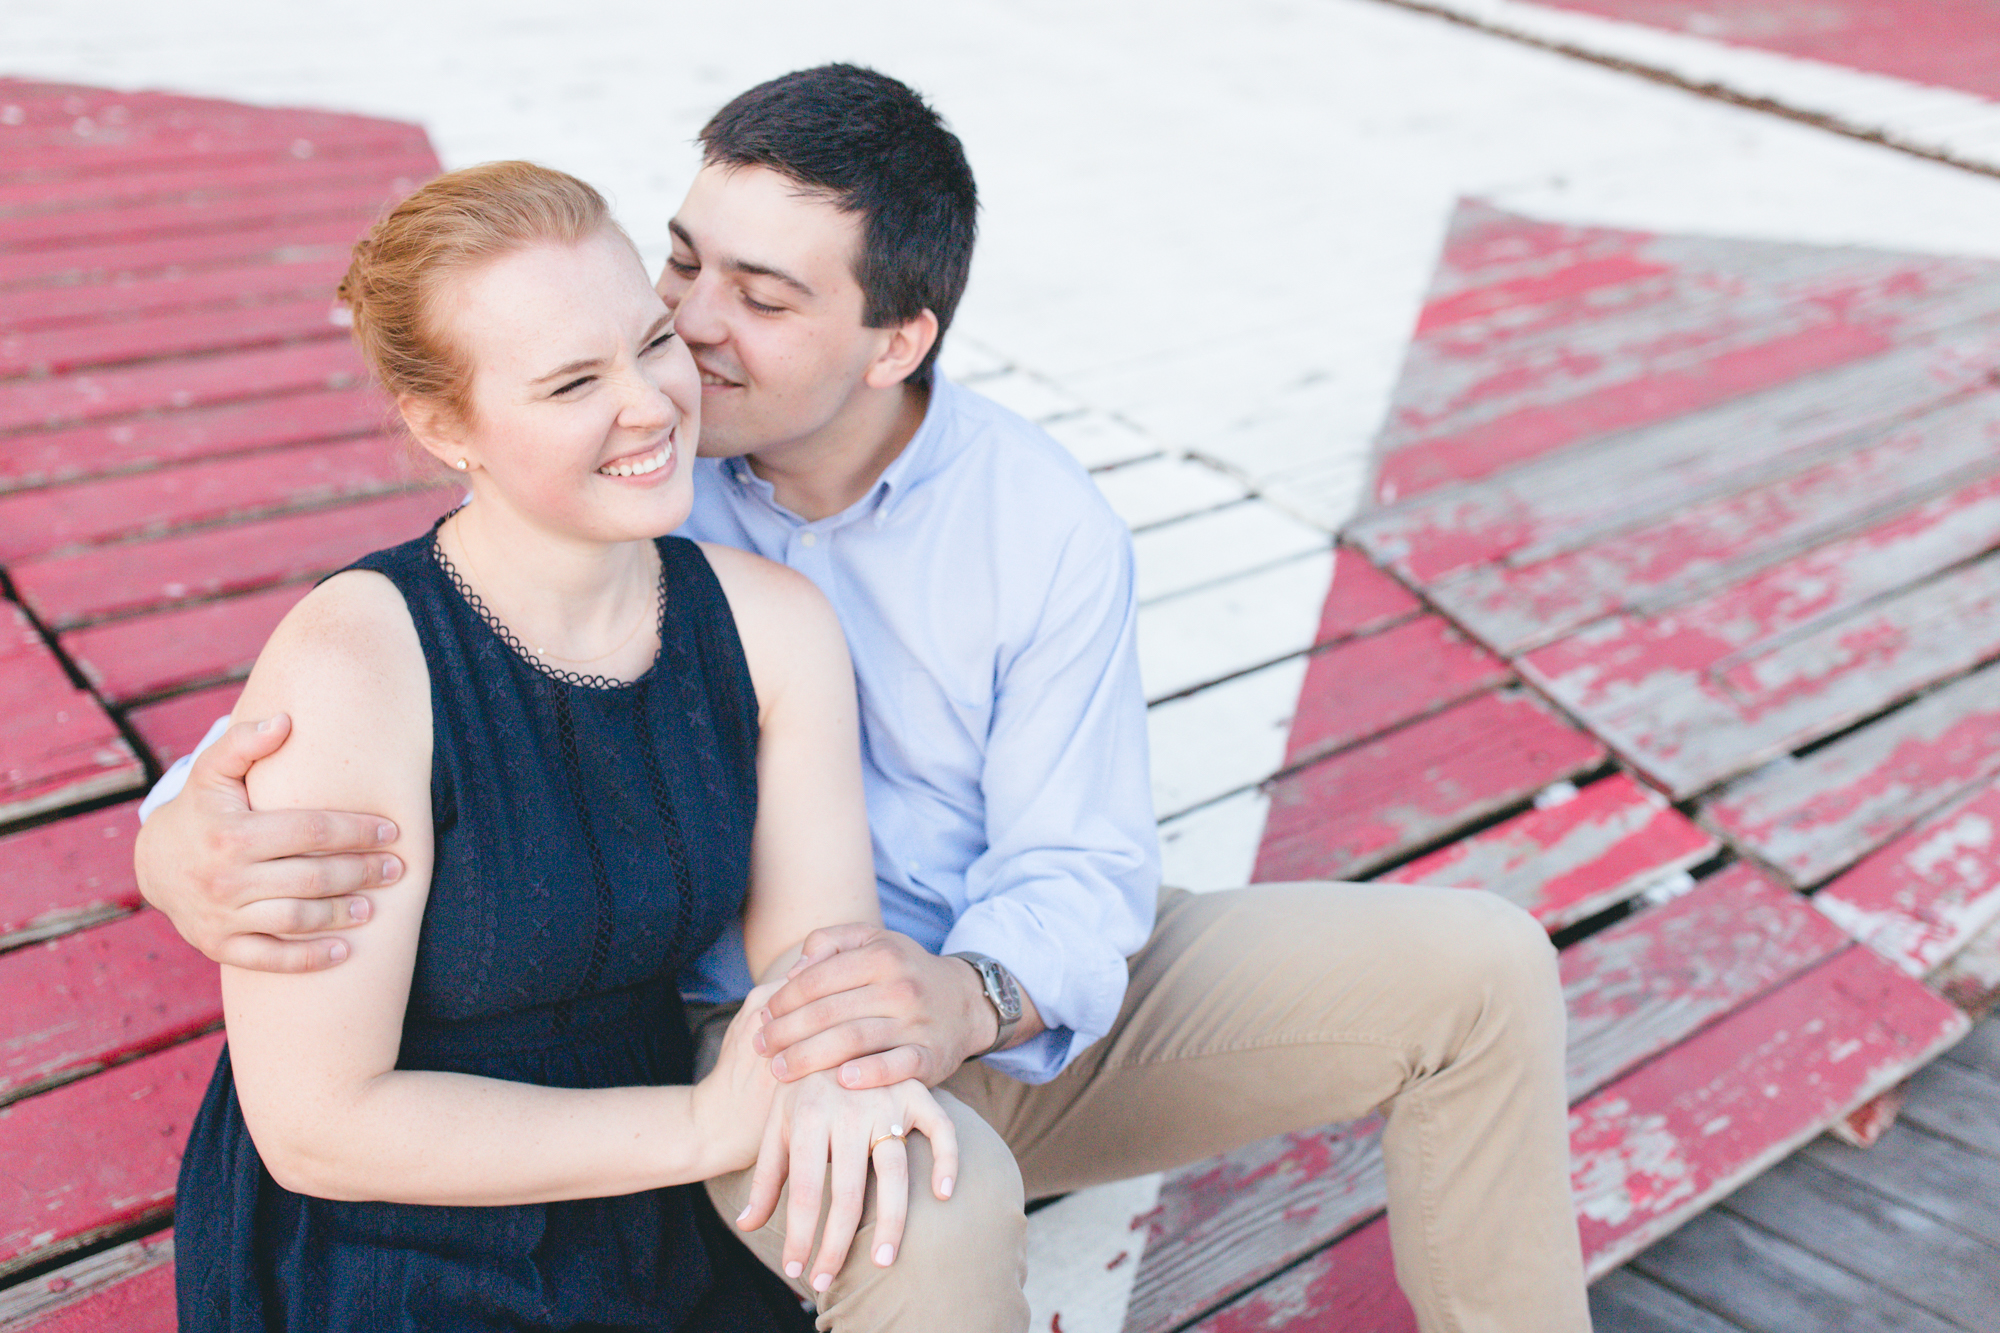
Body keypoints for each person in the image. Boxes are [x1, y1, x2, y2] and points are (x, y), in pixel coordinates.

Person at [140, 67, 1592, 1332]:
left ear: (894, 341)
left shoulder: (1032, 518)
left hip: (969, 990)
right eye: (683, 268)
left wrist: (960, 1000)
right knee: (933, 1202)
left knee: (1483, 965)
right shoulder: (624, 457)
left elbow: (1081, 866)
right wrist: (173, 839)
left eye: (760, 300)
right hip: (735, 1016)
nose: (690, 336)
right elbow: (365, 691)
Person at [168, 159, 958, 1333]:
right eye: (571, 382)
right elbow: (316, 1125)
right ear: (446, 426)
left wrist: (819, 1068)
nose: (648, 403)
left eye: (650, 342)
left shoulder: (772, 627)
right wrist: (706, 1126)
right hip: (396, 1231)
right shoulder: (357, 664)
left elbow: (814, 970)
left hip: (651, 1204)